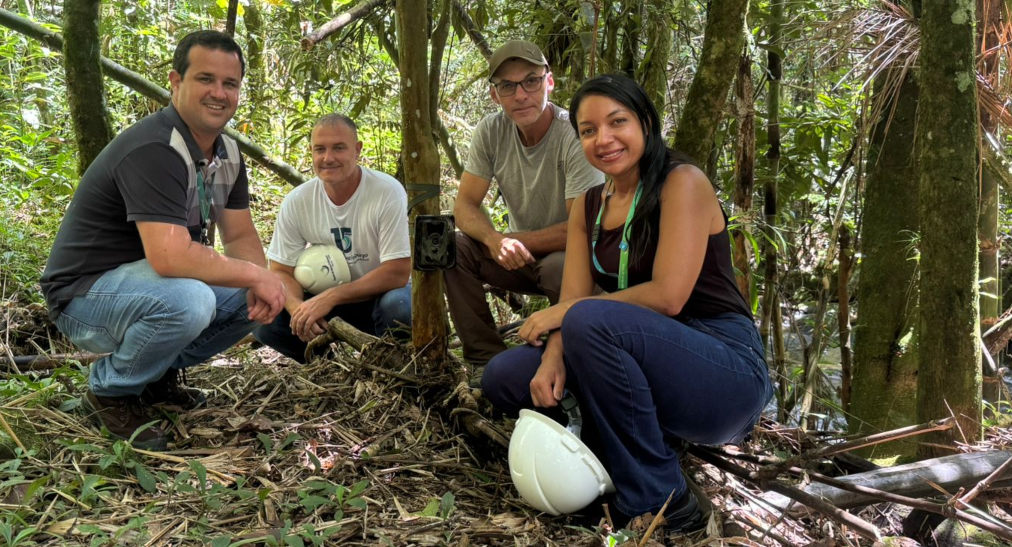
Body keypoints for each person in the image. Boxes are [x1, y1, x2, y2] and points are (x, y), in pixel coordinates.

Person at [481, 74, 773, 532]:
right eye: (589, 130)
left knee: (591, 320)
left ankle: (665, 501)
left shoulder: (682, 182)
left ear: (646, 123)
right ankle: (618, 452)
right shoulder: (590, 205)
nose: (604, 139)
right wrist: (553, 356)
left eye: (618, 122)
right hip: (637, 356)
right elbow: (576, 298)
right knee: (505, 378)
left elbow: (668, 296)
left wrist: (563, 315)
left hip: (723, 372)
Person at [40, 30, 286, 451]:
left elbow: (240, 233)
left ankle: (153, 377)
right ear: (175, 82)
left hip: (145, 286)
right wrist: (252, 275)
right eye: (205, 79)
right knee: (192, 301)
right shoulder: (155, 146)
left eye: (230, 84)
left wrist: (259, 283)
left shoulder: (226, 151)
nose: (219, 93)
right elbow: (170, 256)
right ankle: (110, 390)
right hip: (84, 296)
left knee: (256, 297)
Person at [446, 40, 604, 372]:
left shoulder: (573, 134)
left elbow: (581, 227)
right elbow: (465, 206)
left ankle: (569, 360)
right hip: (518, 257)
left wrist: (512, 240)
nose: (521, 95)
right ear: (495, 95)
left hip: (573, 258)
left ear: (549, 82)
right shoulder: (492, 130)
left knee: (556, 268)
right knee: (453, 249)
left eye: (531, 81)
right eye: (508, 86)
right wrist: (493, 240)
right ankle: (486, 361)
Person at [255, 114, 412, 361]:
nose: (328, 158)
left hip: (378, 298)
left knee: (401, 307)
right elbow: (280, 270)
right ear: (311, 152)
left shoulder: (386, 192)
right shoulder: (298, 201)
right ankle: (327, 367)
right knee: (266, 315)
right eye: (320, 149)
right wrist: (299, 310)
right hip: (325, 302)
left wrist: (330, 297)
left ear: (357, 150)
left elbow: (398, 271)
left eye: (339, 148)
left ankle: (387, 367)